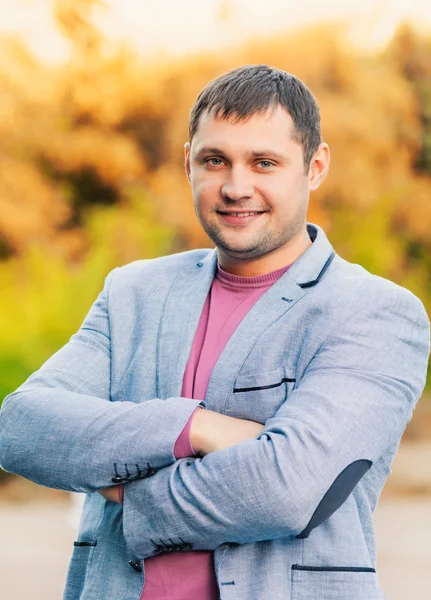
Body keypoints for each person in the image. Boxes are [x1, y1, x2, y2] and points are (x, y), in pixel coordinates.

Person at [0, 65, 429, 600]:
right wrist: (194, 426)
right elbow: (21, 427)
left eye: (264, 163)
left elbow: (286, 489)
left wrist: (128, 495)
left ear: (315, 167)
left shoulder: (375, 313)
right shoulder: (133, 293)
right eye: (214, 160)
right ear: (188, 163)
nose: (235, 186)